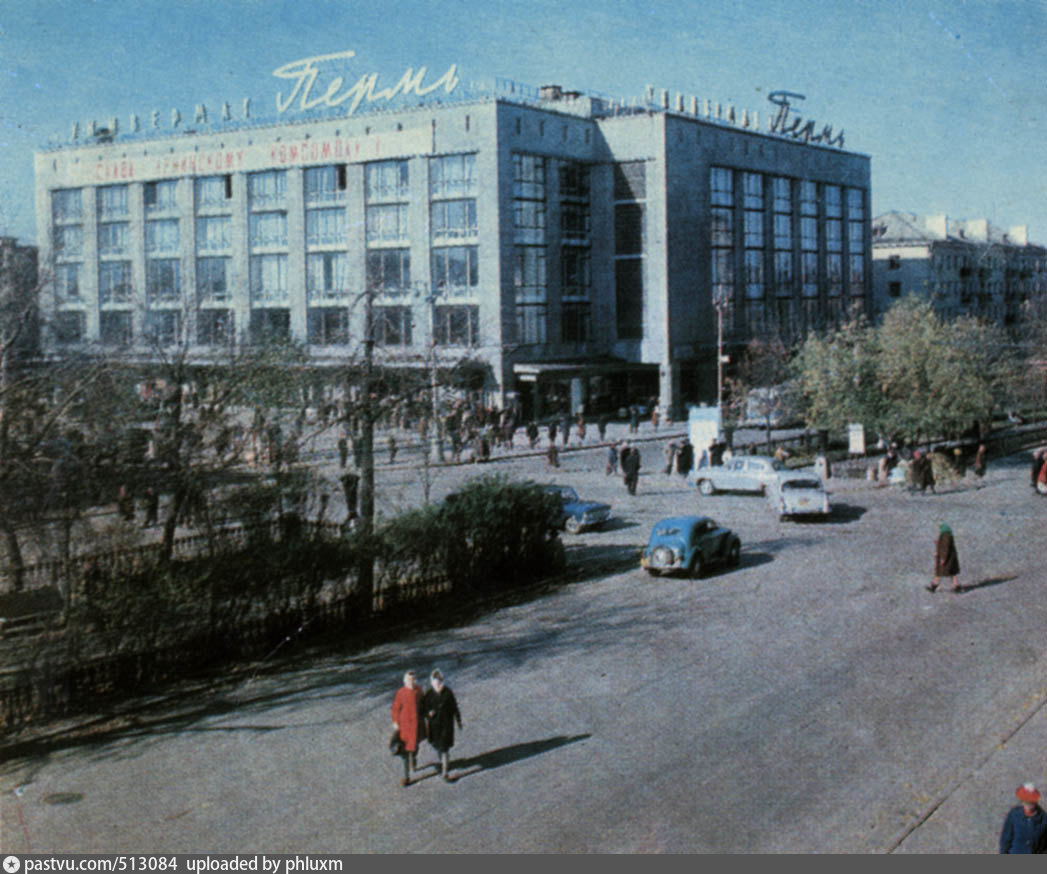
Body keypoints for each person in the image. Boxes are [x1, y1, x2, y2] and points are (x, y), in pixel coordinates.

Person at [423, 668, 462, 782]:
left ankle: (445, 772)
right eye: (436, 682)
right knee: (437, 747)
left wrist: (458, 720)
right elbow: (423, 708)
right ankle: (444, 763)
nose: (438, 684)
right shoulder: (429, 694)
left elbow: (454, 707)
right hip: (434, 727)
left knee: (444, 749)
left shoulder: (448, 693)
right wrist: (428, 713)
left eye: (440, 681)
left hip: (446, 725)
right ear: (432, 682)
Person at [391, 670, 425, 786]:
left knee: (414, 747)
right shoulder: (400, 693)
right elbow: (395, 708)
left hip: (417, 725)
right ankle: (406, 777)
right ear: (404, 681)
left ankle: (414, 759)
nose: (411, 682)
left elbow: (423, 705)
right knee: (404, 752)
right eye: (409, 680)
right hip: (405, 726)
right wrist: (395, 722)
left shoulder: (419, 691)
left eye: (413, 680)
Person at [1000, 783, 1047, 853]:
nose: (1027, 805)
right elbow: (1006, 839)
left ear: (1035, 802)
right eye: (1025, 802)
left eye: (1030, 802)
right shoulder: (1014, 815)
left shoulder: (1043, 819)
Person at [928, 522, 960, 593]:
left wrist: (943, 558)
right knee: (952, 572)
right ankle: (956, 586)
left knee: (939, 572)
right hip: (950, 557)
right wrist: (938, 543)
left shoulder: (945, 535)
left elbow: (945, 547)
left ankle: (934, 586)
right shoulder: (947, 535)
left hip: (946, 557)